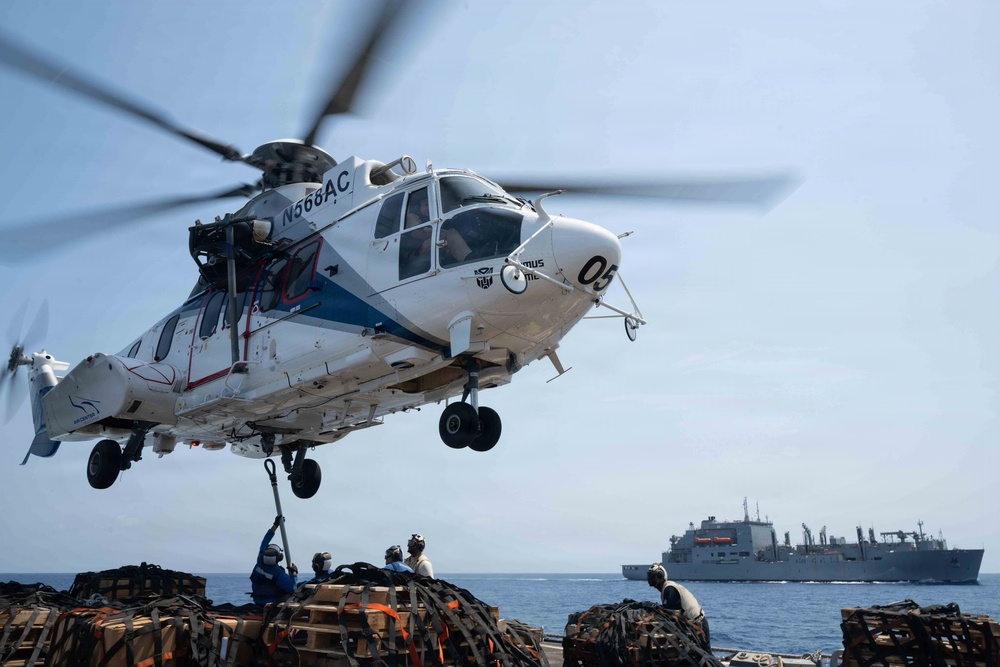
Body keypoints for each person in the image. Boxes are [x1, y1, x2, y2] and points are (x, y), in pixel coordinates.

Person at [646, 563, 711, 652]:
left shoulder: (669, 589)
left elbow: (671, 616)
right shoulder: (666, 590)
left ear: (660, 576)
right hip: (693, 624)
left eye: (652, 576)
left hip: (698, 624)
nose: (649, 579)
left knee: (706, 655)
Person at [249, 515, 298, 605]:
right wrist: (294, 574)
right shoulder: (278, 574)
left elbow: (265, 540)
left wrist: (275, 525)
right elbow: (292, 588)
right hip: (272, 604)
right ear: (279, 558)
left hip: (257, 601)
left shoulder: (260, 562)